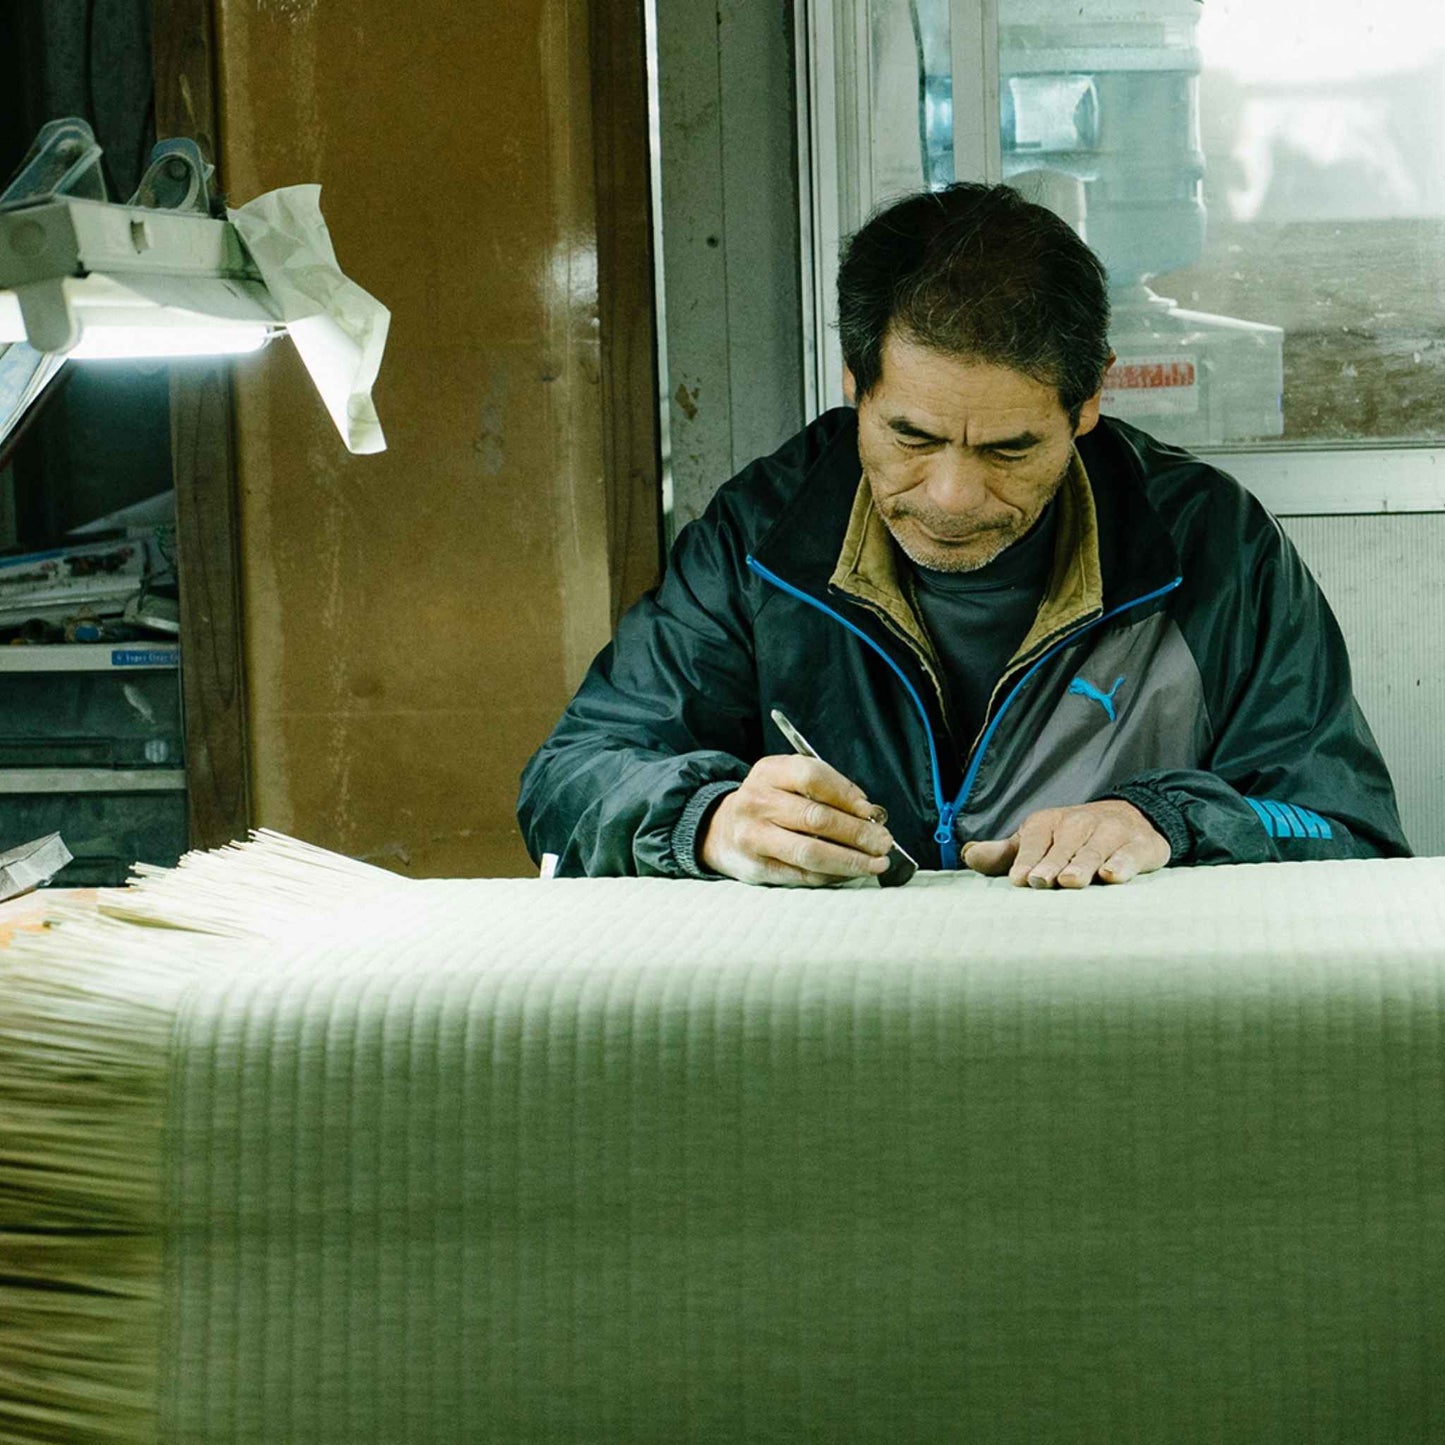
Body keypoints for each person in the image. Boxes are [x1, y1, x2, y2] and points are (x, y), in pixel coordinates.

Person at [518, 182, 1408, 887]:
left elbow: (1348, 828)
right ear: (854, 384)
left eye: (1010, 448)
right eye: (911, 437)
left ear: (1090, 398)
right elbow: (570, 776)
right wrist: (706, 819)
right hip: (829, 1022)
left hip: (1123, 1025)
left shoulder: (1208, 545)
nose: (951, 496)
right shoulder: (765, 535)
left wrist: (1168, 820)